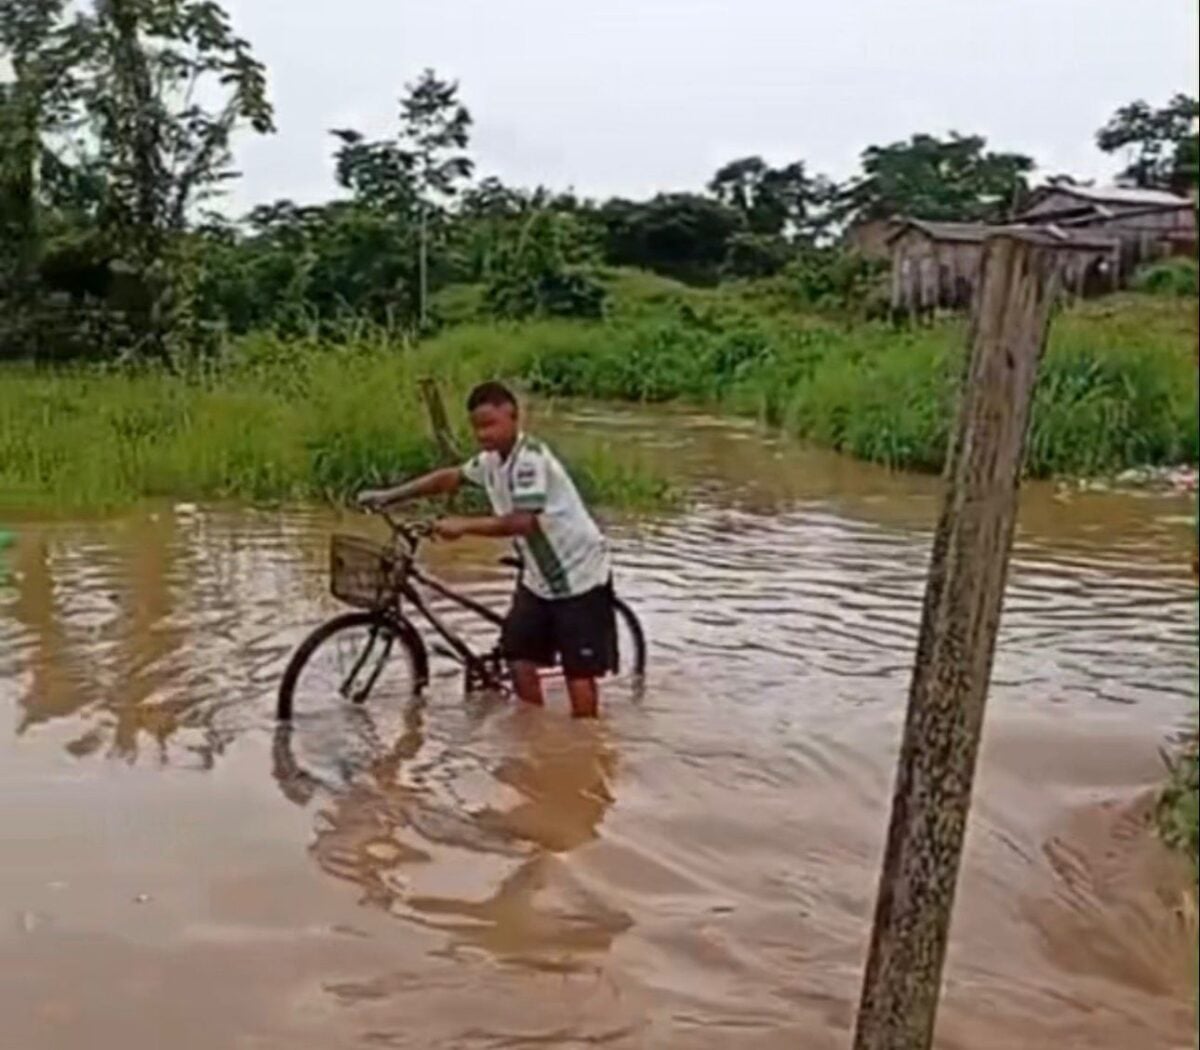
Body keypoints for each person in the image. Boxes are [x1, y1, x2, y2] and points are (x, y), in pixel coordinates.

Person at [357, 381, 616, 718]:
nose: (483, 435)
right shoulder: (491, 462)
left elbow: (523, 522)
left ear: (514, 417)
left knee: (577, 673)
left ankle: (585, 751)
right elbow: (448, 478)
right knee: (518, 656)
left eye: (490, 424)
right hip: (538, 577)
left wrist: (463, 526)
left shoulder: (530, 460)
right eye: (477, 427)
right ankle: (532, 732)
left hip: (578, 573)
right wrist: (390, 495)